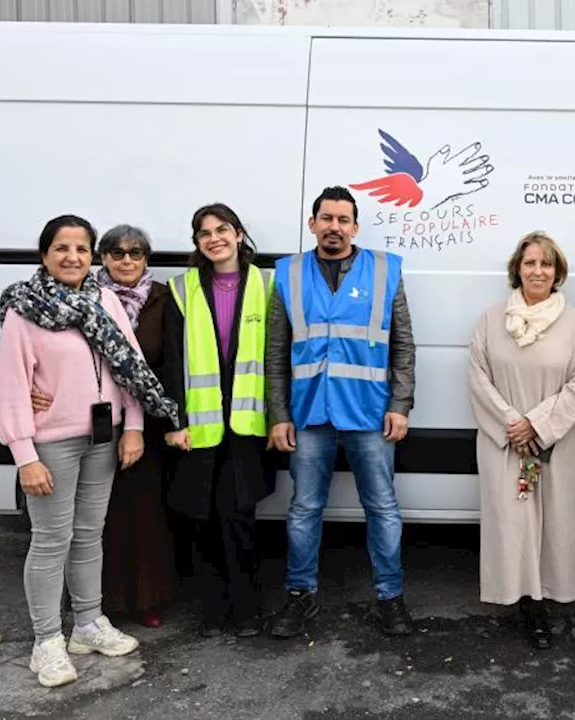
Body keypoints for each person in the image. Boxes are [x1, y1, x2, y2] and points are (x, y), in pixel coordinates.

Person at [0, 214, 179, 688]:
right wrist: (24, 455)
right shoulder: (24, 309)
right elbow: (12, 386)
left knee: (88, 535)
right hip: (51, 442)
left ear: (91, 256)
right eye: (61, 248)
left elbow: (130, 368)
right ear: (44, 256)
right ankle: (46, 642)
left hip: (104, 438)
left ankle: (88, 625)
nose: (72, 257)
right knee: (51, 540)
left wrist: (133, 426)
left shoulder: (106, 301)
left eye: (80, 249)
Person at [265, 186, 417, 638]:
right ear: (312, 224)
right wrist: (278, 413)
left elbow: (404, 346)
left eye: (343, 219)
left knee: (383, 508)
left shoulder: (386, 270)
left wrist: (401, 404)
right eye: (326, 218)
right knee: (303, 509)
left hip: (370, 414)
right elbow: (275, 353)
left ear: (355, 226)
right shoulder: (289, 273)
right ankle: (299, 596)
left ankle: (390, 598)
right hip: (309, 413)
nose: (334, 227)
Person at [31, 224, 179, 629]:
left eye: (136, 253)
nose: (126, 260)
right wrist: (32, 386)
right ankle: (94, 608)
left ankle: (145, 599)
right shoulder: (87, 299)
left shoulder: (164, 299)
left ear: (147, 259)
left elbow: (169, 362)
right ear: (104, 259)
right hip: (94, 425)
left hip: (144, 422)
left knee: (145, 514)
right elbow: (34, 353)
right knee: (95, 521)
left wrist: (157, 420)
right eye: (116, 253)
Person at [467, 231, 575, 649]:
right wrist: (515, 424)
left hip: (556, 439)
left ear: (557, 271)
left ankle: (553, 593)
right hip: (506, 441)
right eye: (530, 263)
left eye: (546, 263)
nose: (537, 271)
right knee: (514, 524)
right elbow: (478, 377)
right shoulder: (491, 318)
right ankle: (528, 604)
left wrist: (538, 425)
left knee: (558, 522)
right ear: (517, 269)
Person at [162, 203, 274, 638]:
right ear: (197, 243)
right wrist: (174, 421)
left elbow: (278, 356)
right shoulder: (181, 288)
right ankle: (212, 611)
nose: (214, 239)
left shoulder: (268, 284)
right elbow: (172, 362)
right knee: (202, 518)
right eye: (204, 233)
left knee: (239, 517)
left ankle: (246, 610)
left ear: (240, 234)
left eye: (222, 229)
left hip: (248, 424)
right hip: (199, 427)